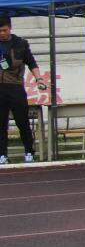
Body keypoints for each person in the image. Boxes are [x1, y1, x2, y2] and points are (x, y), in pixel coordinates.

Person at [0, 16, 49, 164]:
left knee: (23, 122)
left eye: (4, 30)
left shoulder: (20, 43)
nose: (1, 33)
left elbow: (31, 63)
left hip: (16, 87)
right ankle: (2, 155)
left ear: (10, 28)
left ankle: (29, 152)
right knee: (1, 125)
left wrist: (39, 78)